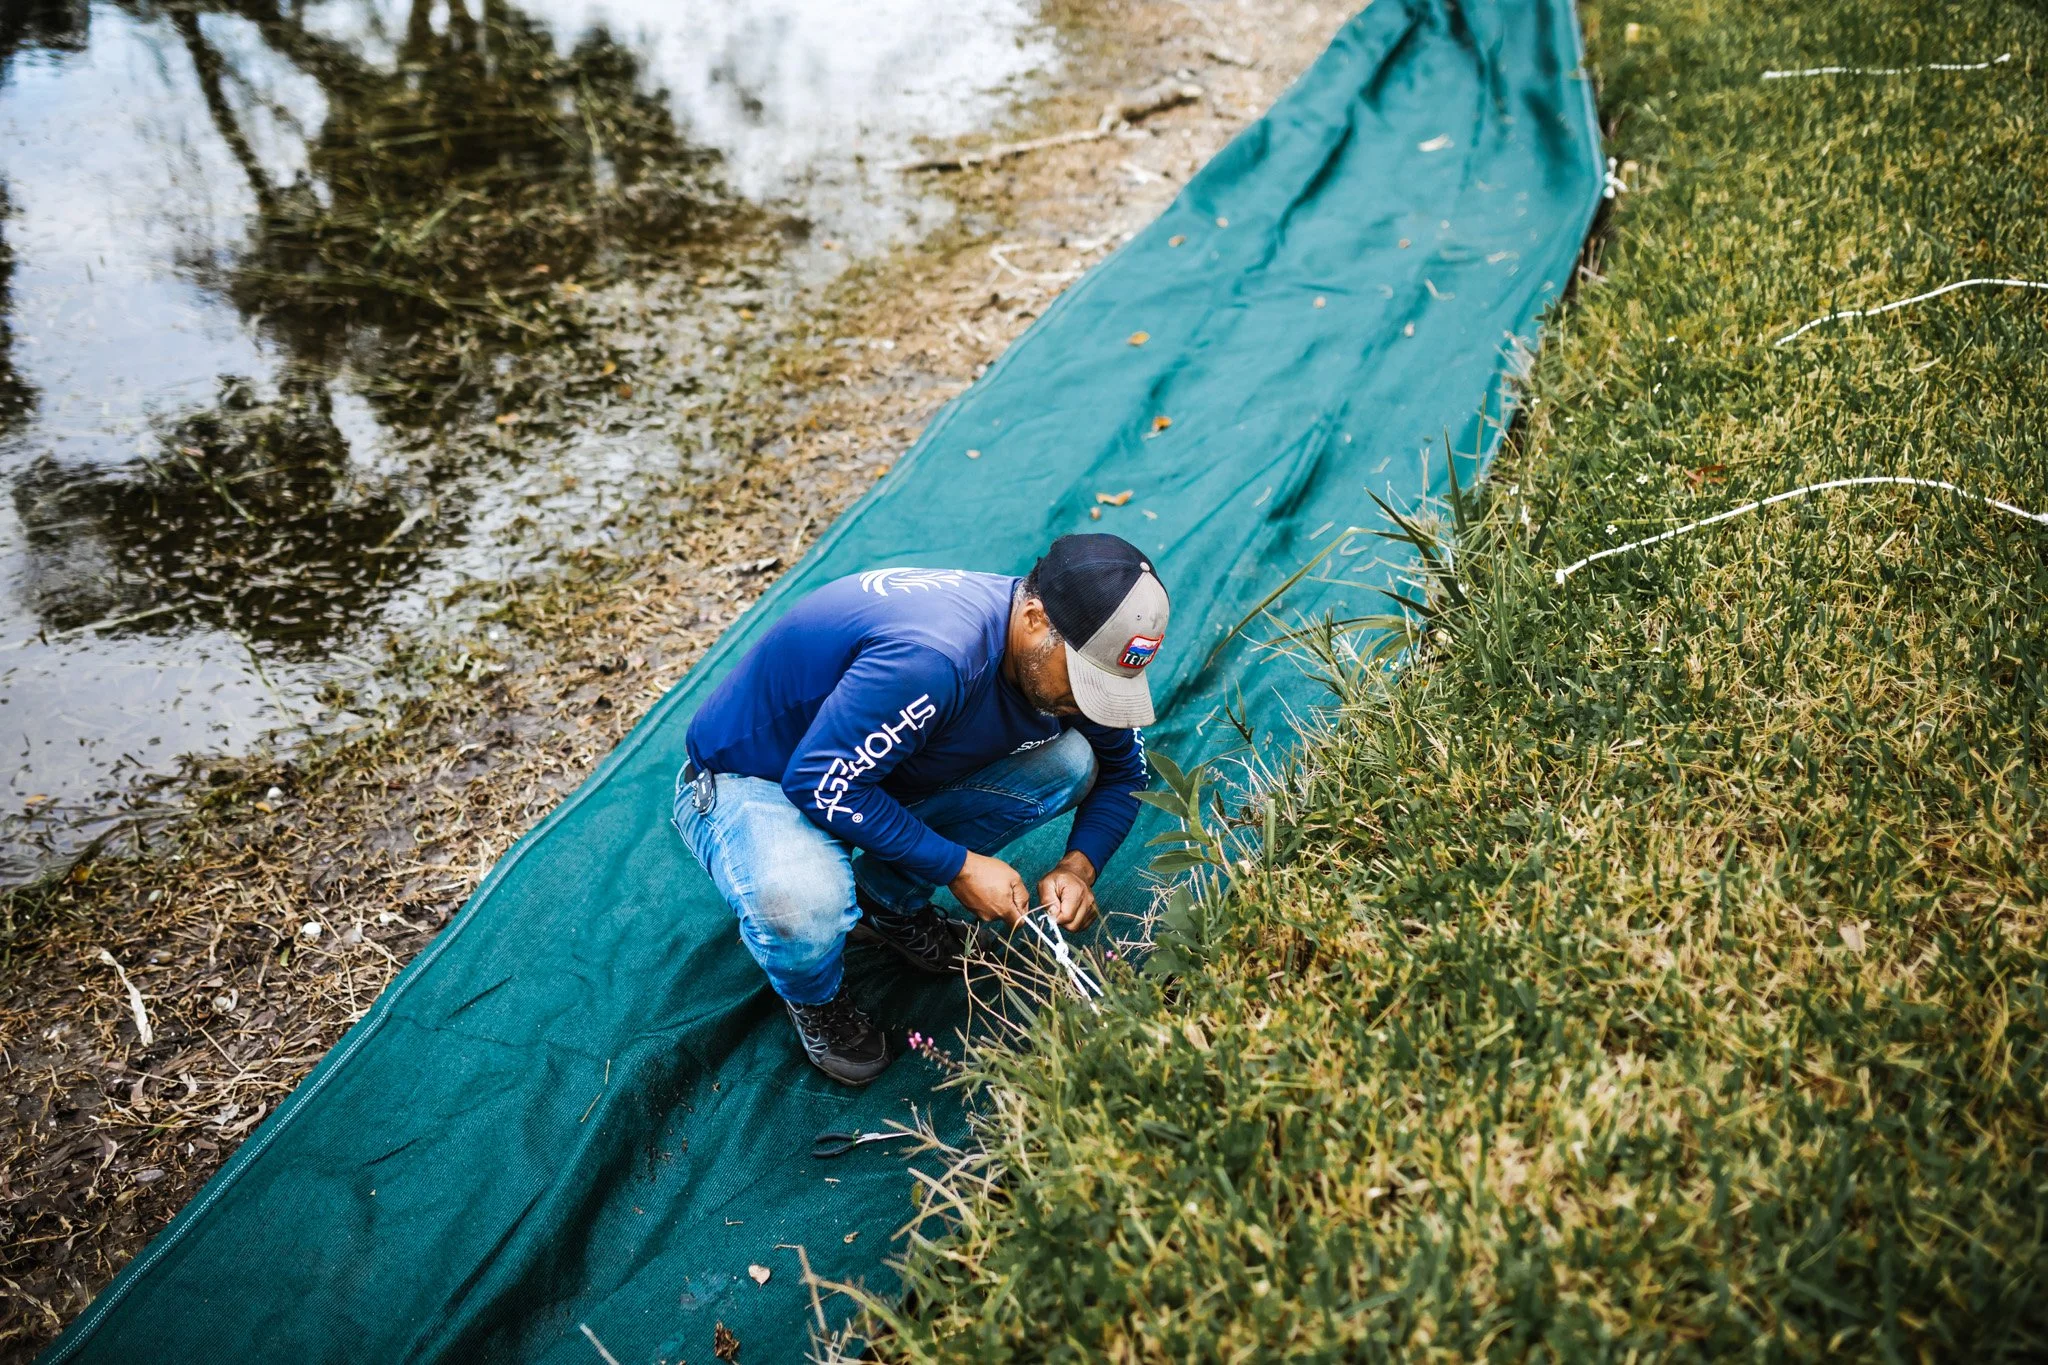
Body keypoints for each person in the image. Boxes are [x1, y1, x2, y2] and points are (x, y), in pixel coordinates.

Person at [673, 534, 1170, 1083]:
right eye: (1083, 680)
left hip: (873, 762)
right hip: (759, 777)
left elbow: (1125, 773)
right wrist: (959, 866)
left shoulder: (1061, 652)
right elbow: (820, 784)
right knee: (799, 901)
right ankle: (816, 1000)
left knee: (1074, 761)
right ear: (1033, 619)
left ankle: (883, 900)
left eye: (1108, 685)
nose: (1090, 700)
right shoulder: (933, 658)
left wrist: (1080, 864)